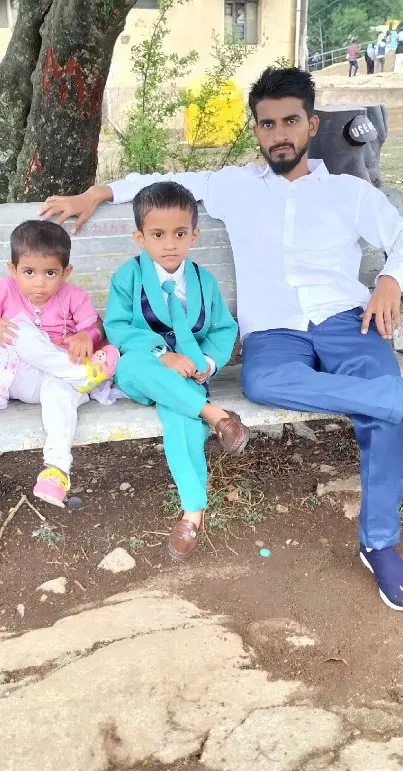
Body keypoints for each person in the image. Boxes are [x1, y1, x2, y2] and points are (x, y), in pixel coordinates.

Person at [42, 66, 403, 610]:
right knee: (261, 380)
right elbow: (150, 184)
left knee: (379, 406)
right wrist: (96, 193)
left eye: (290, 121)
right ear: (255, 130)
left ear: (312, 122)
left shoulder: (350, 193)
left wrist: (389, 280)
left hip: (346, 320)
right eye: (266, 124)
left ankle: (378, 542)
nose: (278, 133)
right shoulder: (232, 186)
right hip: (275, 333)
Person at [103, 181, 249, 560]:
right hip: (144, 369)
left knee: (179, 418)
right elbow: (118, 328)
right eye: (158, 234)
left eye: (180, 233)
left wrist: (210, 363)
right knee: (134, 364)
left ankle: (193, 512)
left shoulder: (203, 281)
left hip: (189, 376)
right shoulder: (128, 277)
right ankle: (216, 416)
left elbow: (222, 328)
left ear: (194, 235)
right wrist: (159, 353)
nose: (170, 243)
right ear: (139, 237)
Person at [0, 220, 119, 507]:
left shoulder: (74, 296)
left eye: (50, 273)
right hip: (15, 377)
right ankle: (82, 375)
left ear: (65, 272)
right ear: (13, 269)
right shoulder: (5, 289)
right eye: (29, 272)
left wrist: (84, 335)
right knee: (20, 330)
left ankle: (56, 471)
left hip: (53, 382)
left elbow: (95, 328)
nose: (39, 282)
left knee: (59, 391)